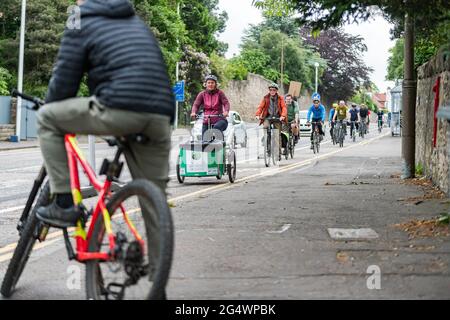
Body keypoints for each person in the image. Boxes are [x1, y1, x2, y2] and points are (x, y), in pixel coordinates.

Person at [36, 0, 174, 228]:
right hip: (160, 114)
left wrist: (49, 104)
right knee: (155, 200)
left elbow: (64, 82)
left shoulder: (79, 18)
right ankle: (158, 262)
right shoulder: (136, 22)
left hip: (119, 107)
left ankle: (63, 205)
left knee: (47, 118)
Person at [191, 75, 230, 141]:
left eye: (212, 83)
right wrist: (193, 112)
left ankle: (221, 146)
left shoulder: (220, 93)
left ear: (215, 84)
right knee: (205, 141)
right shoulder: (202, 94)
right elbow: (196, 104)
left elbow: (226, 103)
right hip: (207, 120)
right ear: (205, 84)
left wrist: (226, 111)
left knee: (216, 128)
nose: (210, 84)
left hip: (220, 119)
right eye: (208, 83)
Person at [255, 83, 287, 157]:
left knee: (277, 135)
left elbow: (284, 107)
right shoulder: (265, 98)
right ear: (269, 90)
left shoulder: (280, 98)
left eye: (274, 90)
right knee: (265, 127)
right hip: (268, 117)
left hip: (278, 118)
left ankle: (278, 153)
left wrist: (282, 116)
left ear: (276, 91)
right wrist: (257, 114)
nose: (272, 91)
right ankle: (267, 145)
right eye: (270, 90)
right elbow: (260, 107)